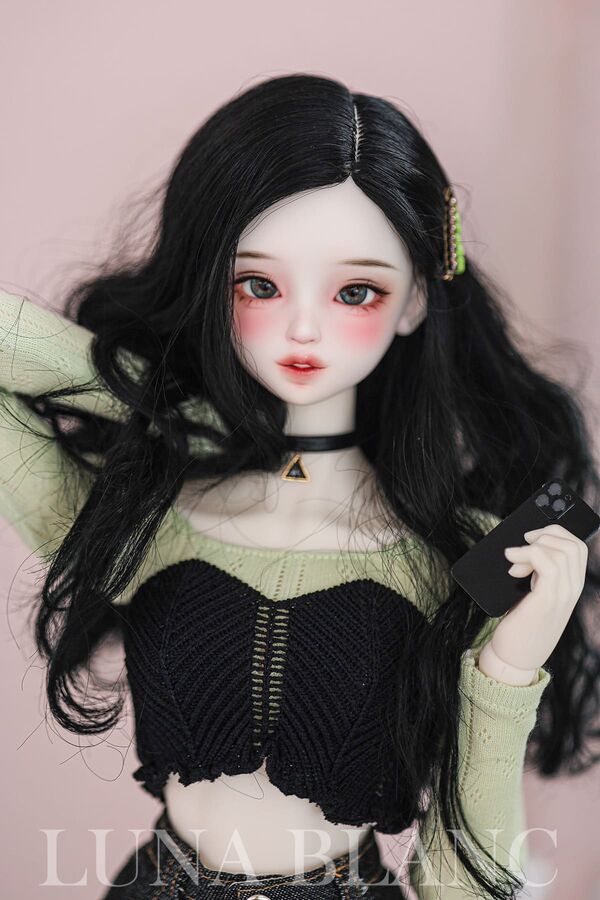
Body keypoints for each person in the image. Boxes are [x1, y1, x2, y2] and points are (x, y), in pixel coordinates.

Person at [1, 73, 599, 900]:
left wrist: (504, 671)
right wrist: (173, 403)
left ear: (415, 300)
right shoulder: (145, 511)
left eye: (356, 291)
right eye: (258, 285)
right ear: (210, 285)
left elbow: (467, 885)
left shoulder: (465, 554)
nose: (305, 327)